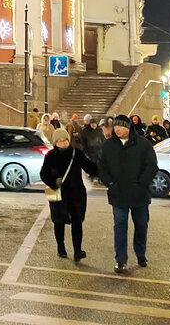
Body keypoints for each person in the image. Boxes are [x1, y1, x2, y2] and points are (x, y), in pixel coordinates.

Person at [98, 113, 158, 274]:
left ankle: (141, 254)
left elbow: (152, 166)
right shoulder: (109, 145)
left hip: (139, 194)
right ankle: (121, 260)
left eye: (121, 126)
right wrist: (110, 183)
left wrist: (142, 182)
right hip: (118, 193)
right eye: (115, 126)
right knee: (120, 227)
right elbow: (102, 166)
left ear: (128, 127)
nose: (117, 129)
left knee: (141, 225)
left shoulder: (143, 144)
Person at [40, 127, 99, 261]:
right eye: (60, 141)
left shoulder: (76, 154)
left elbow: (90, 167)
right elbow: (43, 174)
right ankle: (61, 247)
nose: (63, 143)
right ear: (55, 142)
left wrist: (104, 170)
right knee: (58, 222)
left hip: (76, 193)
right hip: (58, 194)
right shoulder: (50, 156)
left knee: (77, 222)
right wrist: (54, 182)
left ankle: (78, 250)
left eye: (65, 140)